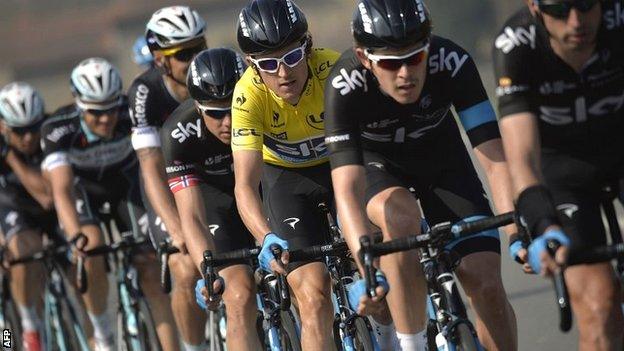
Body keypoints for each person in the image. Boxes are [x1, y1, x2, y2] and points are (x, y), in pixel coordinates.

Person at [323, 0, 519, 350]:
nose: (405, 74)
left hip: (442, 162)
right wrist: (366, 268)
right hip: (377, 167)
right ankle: (411, 343)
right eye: (390, 63)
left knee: (486, 285)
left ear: (429, 46)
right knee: (399, 215)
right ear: (365, 59)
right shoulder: (344, 84)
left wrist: (517, 232)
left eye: (415, 58)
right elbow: (347, 190)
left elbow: (495, 159)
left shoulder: (453, 62)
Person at [493, 0, 624, 349]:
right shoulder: (516, 46)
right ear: (535, 8)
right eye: (560, 10)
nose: (576, 21)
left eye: (585, 5)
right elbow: (522, 160)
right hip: (561, 170)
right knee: (599, 307)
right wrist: (543, 224)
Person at [41, 58, 179, 351]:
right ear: (78, 104)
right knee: (89, 245)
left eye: (111, 109)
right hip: (84, 193)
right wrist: (73, 234)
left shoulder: (130, 115)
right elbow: (62, 190)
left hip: (125, 187)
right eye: (95, 112)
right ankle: (102, 332)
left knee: (151, 268)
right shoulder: (58, 129)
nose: (106, 119)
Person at [231, 0, 342, 349]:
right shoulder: (247, 96)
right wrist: (265, 236)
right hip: (286, 182)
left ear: (307, 46)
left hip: (341, 169)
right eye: (268, 63)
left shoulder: (335, 70)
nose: (283, 73)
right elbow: (245, 186)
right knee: (312, 299)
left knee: (377, 274)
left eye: (292, 57)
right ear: (251, 64)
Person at [160, 48, 262, 350]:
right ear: (197, 108)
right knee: (240, 295)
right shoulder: (178, 133)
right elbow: (191, 215)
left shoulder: (261, 104)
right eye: (216, 113)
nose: (228, 121)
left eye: (233, 107)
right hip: (215, 203)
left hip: (262, 192)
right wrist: (207, 270)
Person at [127, 6, 209, 350]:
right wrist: (177, 231)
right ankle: (193, 346)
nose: (195, 60)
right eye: (184, 53)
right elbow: (150, 167)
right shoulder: (144, 93)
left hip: (211, 177)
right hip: (169, 186)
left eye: (199, 47)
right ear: (160, 60)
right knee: (186, 268)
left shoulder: (216, 72)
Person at [0, 82, 55, 351]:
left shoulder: (49, 134)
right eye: (19, 132)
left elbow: (47, 197)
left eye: (33, 128)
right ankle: (23, 328)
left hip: (43, 209)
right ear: (3, 126)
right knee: (21, 251)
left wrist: (12, 157)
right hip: (9, 209)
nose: (28, 138)